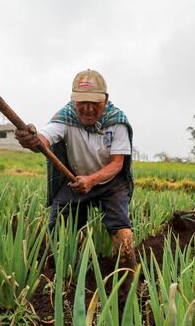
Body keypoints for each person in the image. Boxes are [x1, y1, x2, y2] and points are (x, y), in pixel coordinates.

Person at [14, 69, 137, 269]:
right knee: (56, 229)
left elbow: (117, 164)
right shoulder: (66, 117)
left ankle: (129, 277)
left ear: (105, 100)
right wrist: (31, 140)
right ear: (73, 101)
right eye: (82, 103)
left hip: (110, 182)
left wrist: (91, 180)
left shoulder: (116, 122)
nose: (88, 109)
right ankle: (50, 271)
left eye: (94, 103)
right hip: (76, 180)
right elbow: (43, 139)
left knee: (122, 231)